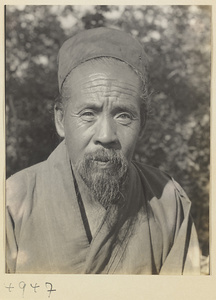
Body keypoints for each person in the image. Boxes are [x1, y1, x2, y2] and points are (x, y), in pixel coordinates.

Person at [6, 27, 200, 274]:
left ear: (143, 125)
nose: (106, 136)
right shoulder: (13, 202)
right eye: (88, 114)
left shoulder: (169, 203)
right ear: (60, 120)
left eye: (123, 115)